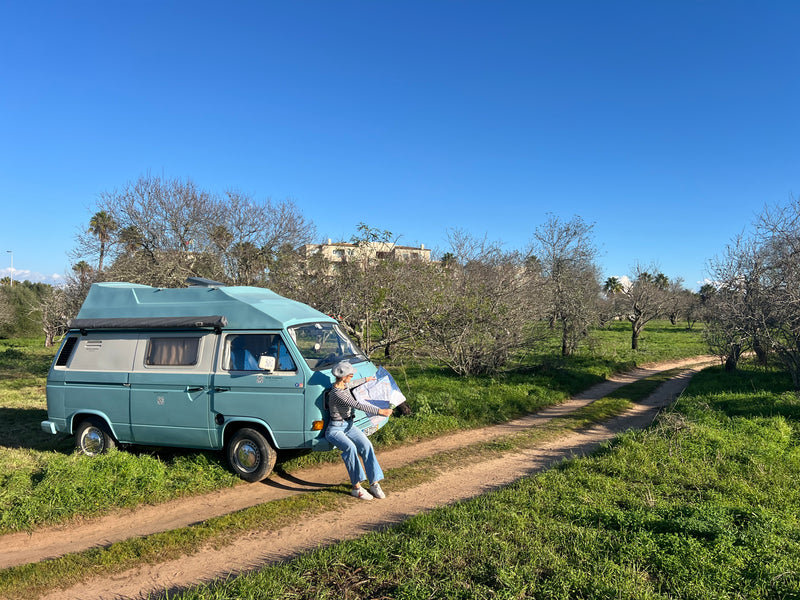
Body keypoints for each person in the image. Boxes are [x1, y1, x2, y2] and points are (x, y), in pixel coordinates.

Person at [326, 361, 393, 500]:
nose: (351, 376)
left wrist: (366, 379)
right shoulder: (338, 393)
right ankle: (356, 488)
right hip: (335, 429)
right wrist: (381, 411)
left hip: (349, 426)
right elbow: (357, 404)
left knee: (367, 445)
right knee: (350, 448)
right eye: (350, 375)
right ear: (343, 376)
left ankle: (374, 483)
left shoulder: (344, 385)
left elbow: (352, 384)